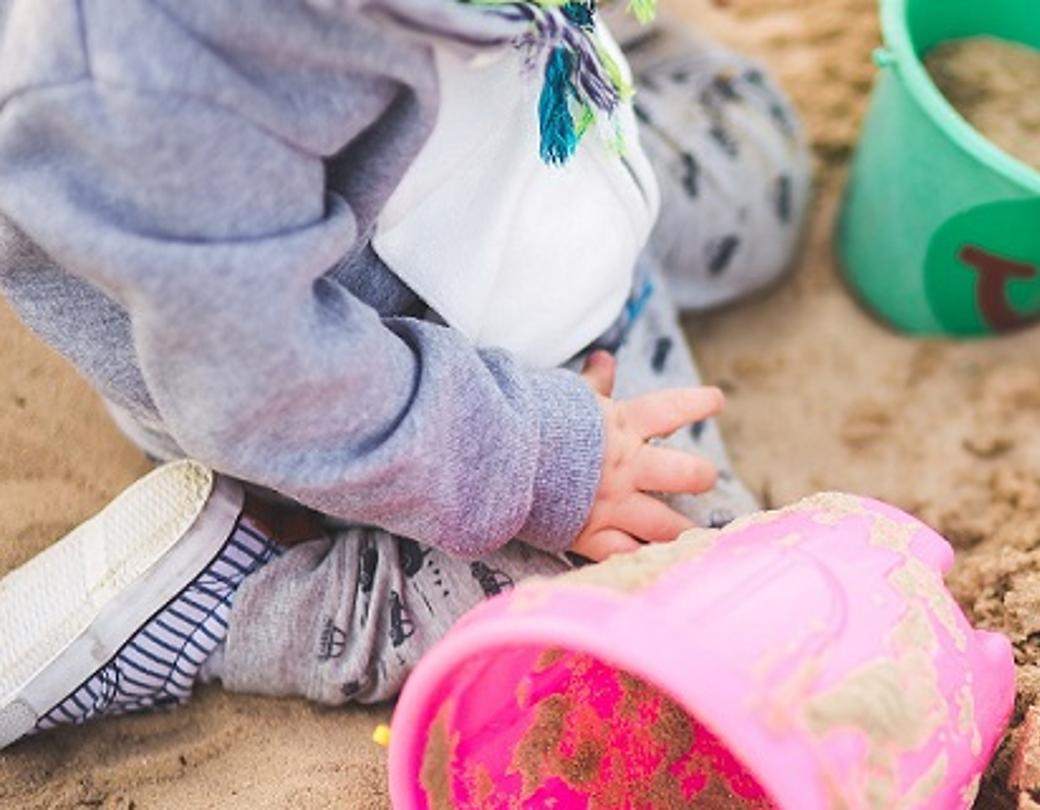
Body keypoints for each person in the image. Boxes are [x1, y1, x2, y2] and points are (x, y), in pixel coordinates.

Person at [0, 0, 810, 748]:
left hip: (534, 161)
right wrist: (542, 463)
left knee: (762, 179)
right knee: (690, 584)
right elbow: (269, 388)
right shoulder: (147, 69)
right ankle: (240, 602)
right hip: (401, 391)